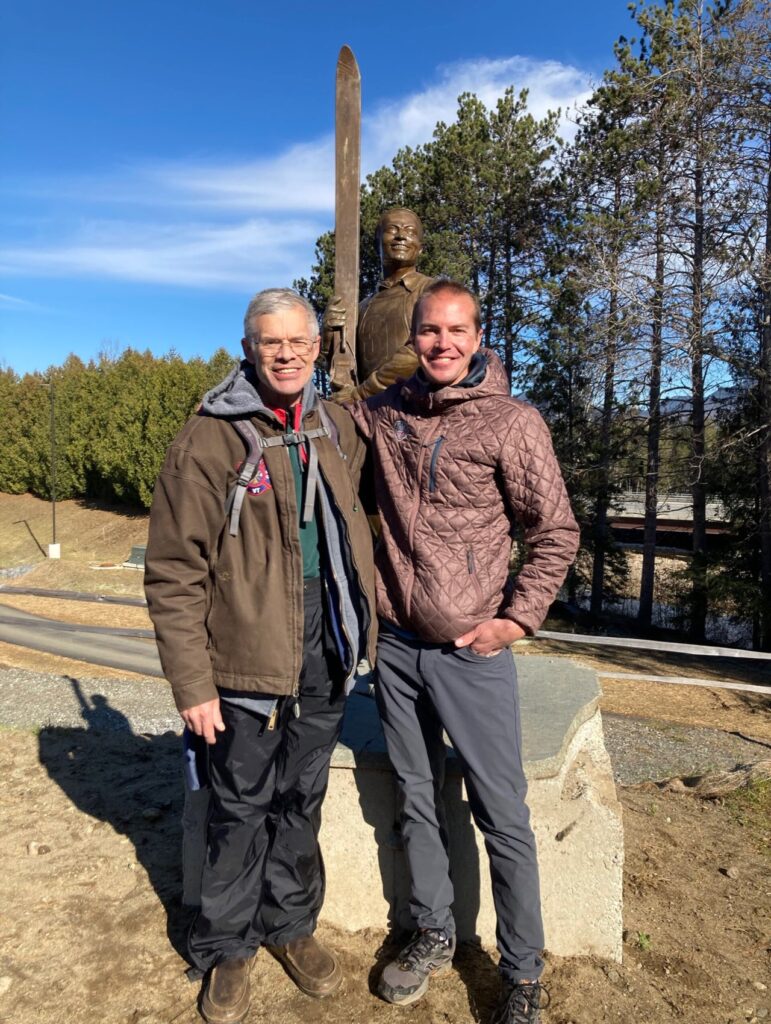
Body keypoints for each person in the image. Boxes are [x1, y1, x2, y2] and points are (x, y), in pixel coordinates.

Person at [349, 281, 580, 1024]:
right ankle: (433, 931)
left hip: (472, 653)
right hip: (398, 650)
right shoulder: (382, 415)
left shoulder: (512, 424)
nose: (441, 343)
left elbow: (554, 533)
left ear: (478, 336)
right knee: (416, 801)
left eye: (456, 330)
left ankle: (520, 974)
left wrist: (514, 621)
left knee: (500, 813)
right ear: (410, 338)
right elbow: (313, 433)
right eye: (428, 331)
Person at [144, 288, 376, 1024]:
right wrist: (192, 683)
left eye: (297, 343)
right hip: (244, 654)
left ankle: (290, 926)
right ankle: (226, 949)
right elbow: (174, 572)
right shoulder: (207, 439)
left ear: (316, 350)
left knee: (299, 800)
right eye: (269, 342)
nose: (285, 354)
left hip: (324, 645)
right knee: (239, 807)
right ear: (247, 348)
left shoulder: (331, 424)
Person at [323, 207, 433, 402]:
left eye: (410, 231)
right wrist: (330, 336)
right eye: (392, 229)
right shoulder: (363, 307)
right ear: (377, 243)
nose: (401, 236)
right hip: (369, 417)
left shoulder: (431, 292)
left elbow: (419, 351)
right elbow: (344, 366)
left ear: (421, 247)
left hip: (417, 412)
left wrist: (360, 394)